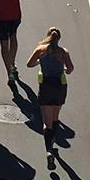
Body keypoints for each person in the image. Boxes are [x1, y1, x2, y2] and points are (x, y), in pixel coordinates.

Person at [26, 27, 74, 170]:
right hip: (59, 87)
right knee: (55, 118)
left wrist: (40, 63)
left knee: (46, 123)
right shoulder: (63, 52)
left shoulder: (41, 50)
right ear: (59, 39)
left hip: (46, 86)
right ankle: (52, 144)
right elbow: (70, 69)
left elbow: (29, 64)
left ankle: (49, 150)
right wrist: (63, 70)